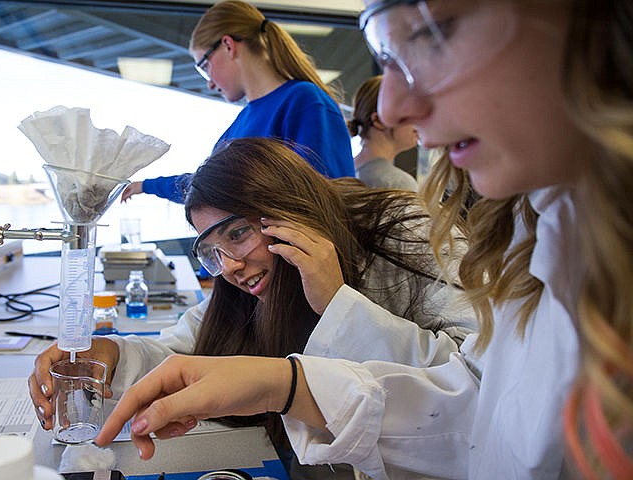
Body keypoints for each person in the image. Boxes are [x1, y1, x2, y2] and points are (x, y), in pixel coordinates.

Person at [90, 1, 633, 479]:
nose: (391, 107)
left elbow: (469, 401)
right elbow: (494, 428)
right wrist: (115, 355)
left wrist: (330, 314)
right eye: (212, 248)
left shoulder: (396, 225)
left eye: (434, 35)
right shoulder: (543, 232)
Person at [29, 137, 474, 478]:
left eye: (238, 234)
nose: (231, 267)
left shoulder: (404, 231)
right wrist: (112, 354)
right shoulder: (247, 282)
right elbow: (187, 352)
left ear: (288, 209)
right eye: (212, 252)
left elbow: (475, 384)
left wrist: (337, 302)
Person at [120, 0, 354, 204]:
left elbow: (327, 198)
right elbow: (208, 189)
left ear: (228, 46)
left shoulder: (305, 101)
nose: (209, 83)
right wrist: (145, 186)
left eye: (204, 67)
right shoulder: (241, 122)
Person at [347, 75, 418, 191]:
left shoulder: (346, 172)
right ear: (378, 120)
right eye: (409, 111)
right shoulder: (398, 184)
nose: (418, 122)